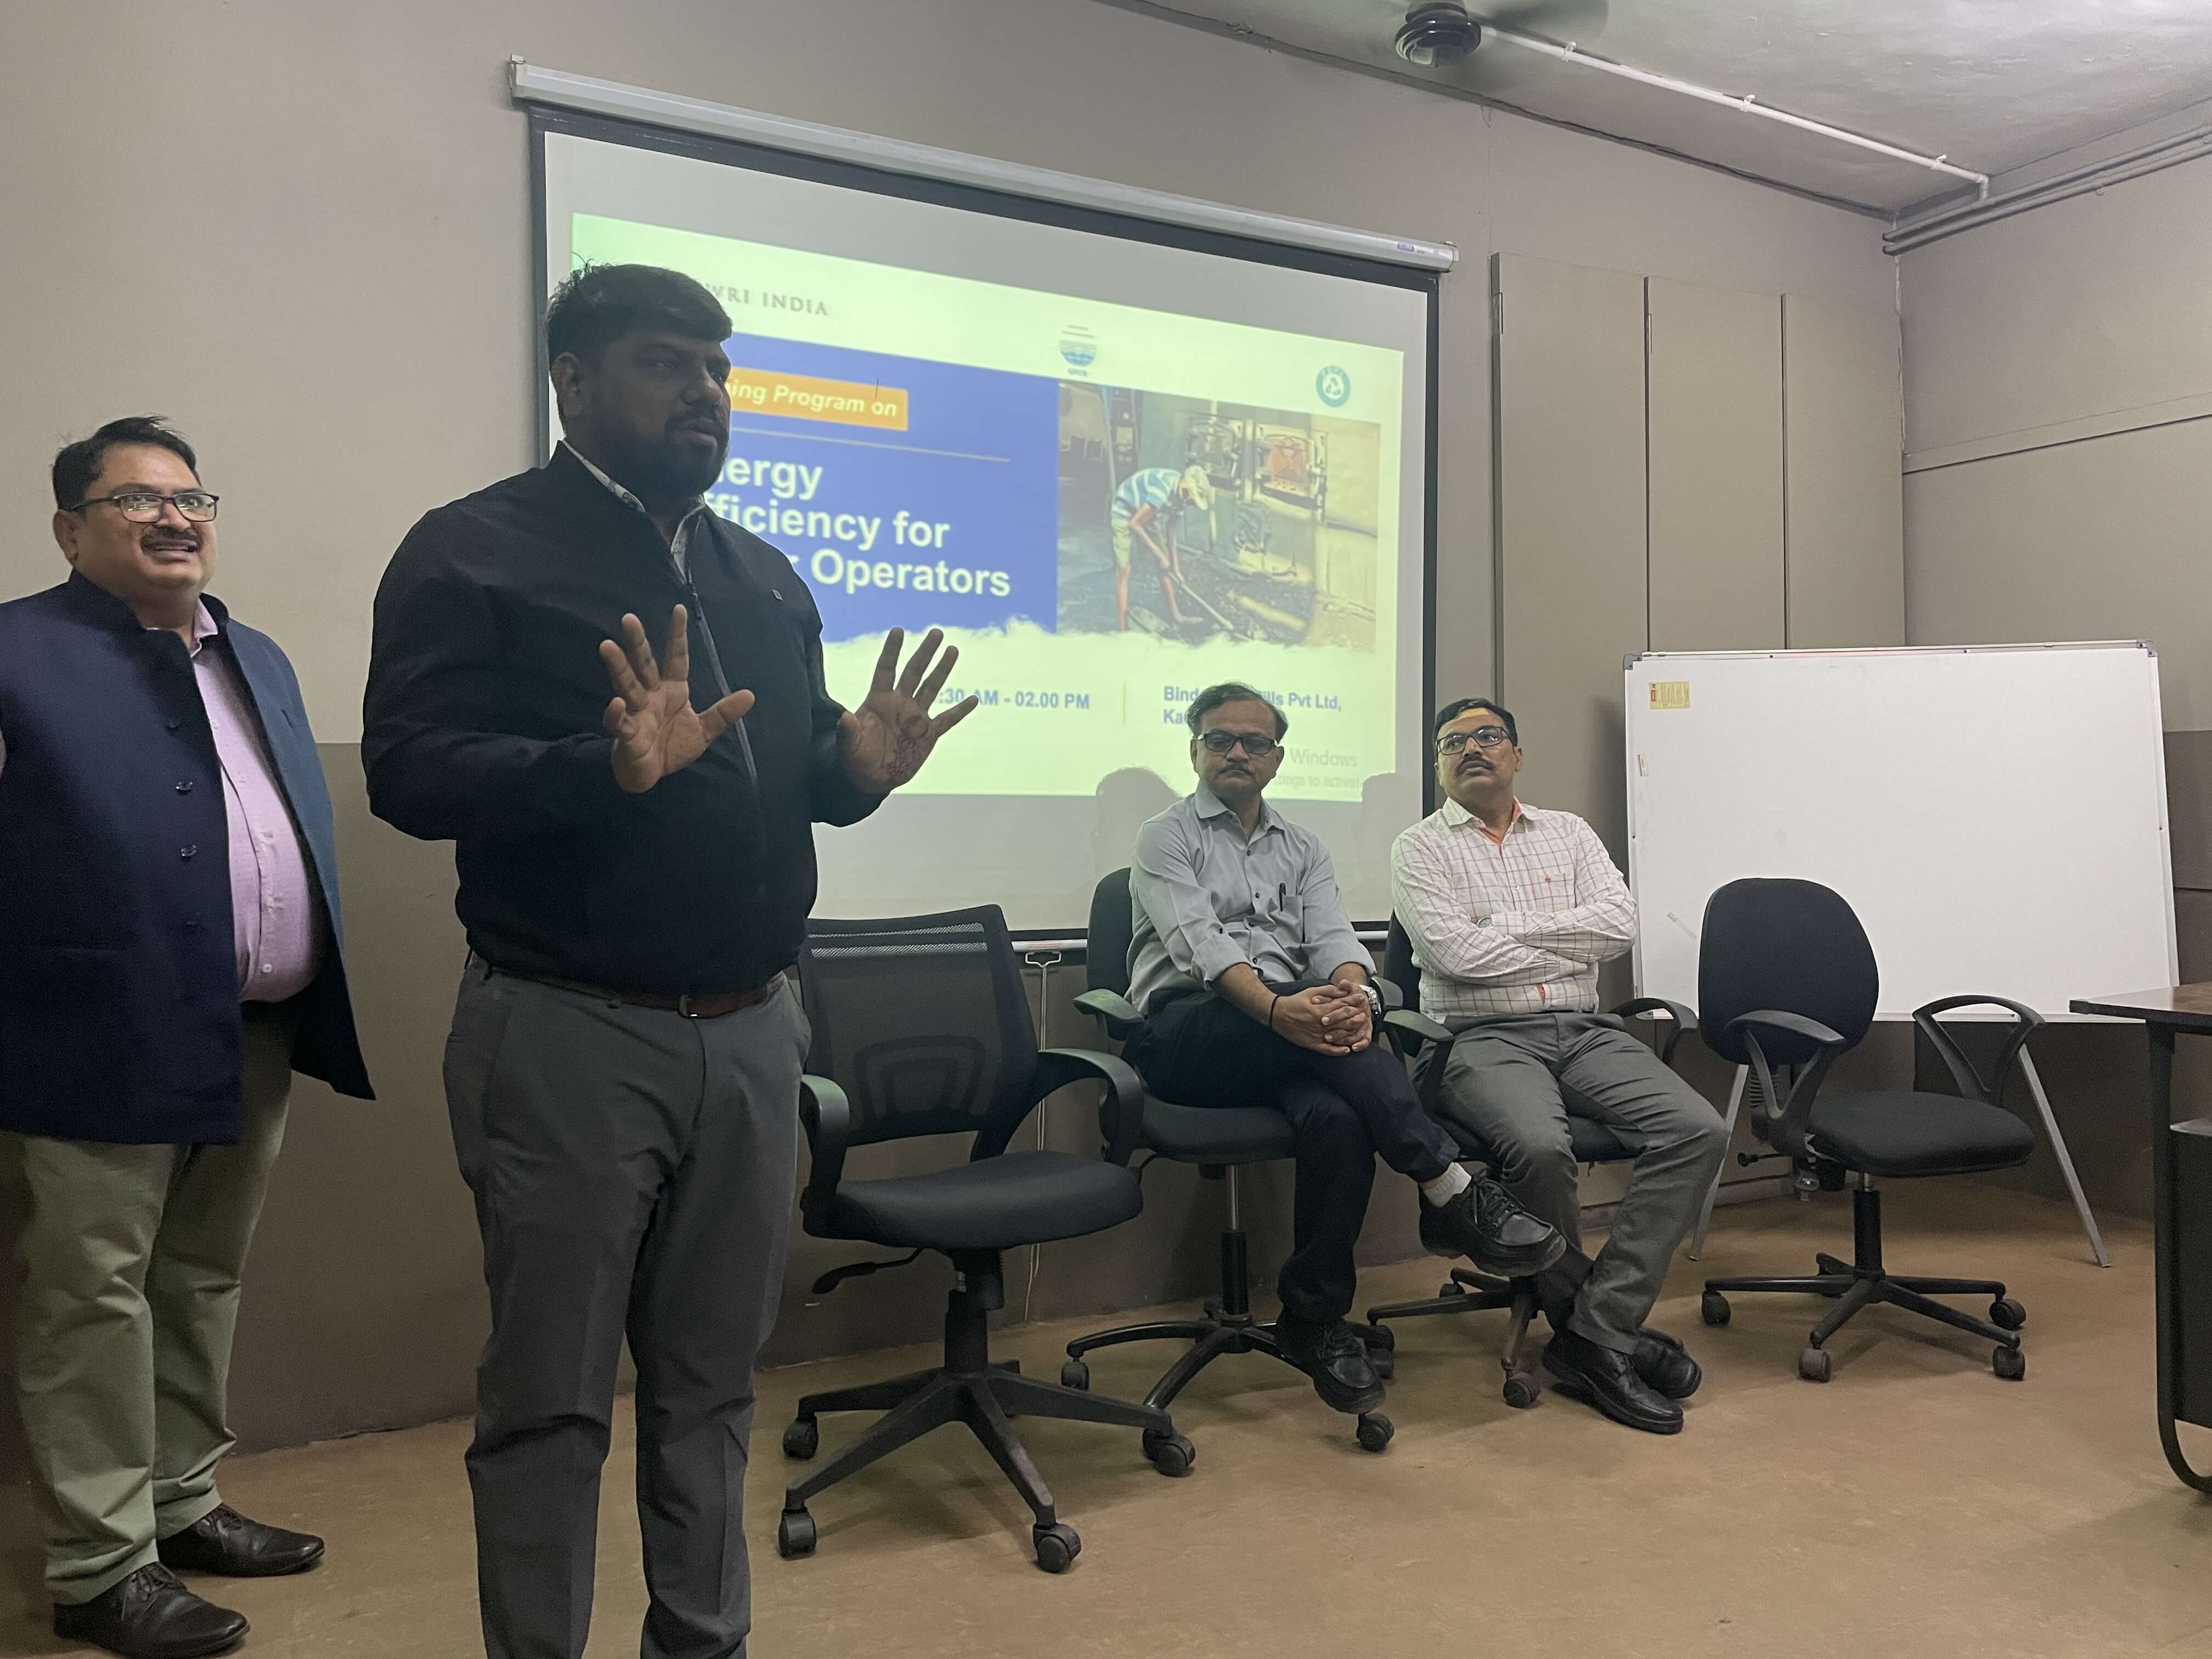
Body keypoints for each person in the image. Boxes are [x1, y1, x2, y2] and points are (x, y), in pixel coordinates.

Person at [361, 264, 975, 1659]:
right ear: (574, 381)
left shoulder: (760, 571)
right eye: (665, 363)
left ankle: (703, 1642)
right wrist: (602, 768)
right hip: (569, 1032)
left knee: (712, 1385)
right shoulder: (474, 549)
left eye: (718, 370)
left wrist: (856, 772)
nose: (705, 392)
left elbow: (795, 772)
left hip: (756, 1033)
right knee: (551, 1401)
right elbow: (407, 770)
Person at [0, 417, 374, 1659]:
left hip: (250, 1024)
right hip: (91, 1029)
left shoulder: (253, 653)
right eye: (136, 499)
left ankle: (180, 1500)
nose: (174, 516)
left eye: (192, 497)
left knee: (201, 1274)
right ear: (70, 530)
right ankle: (101, 1566)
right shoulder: (14, 651)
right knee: (91, 1295)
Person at [1121, 682, 1565, 1419]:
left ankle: (1314, 1318)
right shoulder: (1164, 836)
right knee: (1334, 1051)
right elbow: (1200, 944)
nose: (1237, 752)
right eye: (1220, 740)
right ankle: (1451, 1189)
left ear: (1277, 758)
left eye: (1254, 742)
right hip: (1186, 1032)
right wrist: (1278, 1010)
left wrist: (1354, 996)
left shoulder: (1303, 847)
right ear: (1195, 751)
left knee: (1342, 1118)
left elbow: (1334, 940)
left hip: (1293, 1036)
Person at [1391, 697, 1728, 1435]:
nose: (1471, 749)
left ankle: (1596, 1328)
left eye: (1488, 736)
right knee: (1541, 1149)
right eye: (1452, 742)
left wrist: (1500, 927)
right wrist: (1562, 942)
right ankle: (1599, 1334)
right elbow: (1453, 955)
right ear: (1439, 766)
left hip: (1585, 1029)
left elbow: (1619, 927)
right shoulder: (1419, 848)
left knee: (1697, 1129)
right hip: (1480, 1036)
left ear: (1516, 754)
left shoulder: (1569, 833)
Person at [1110, 462, 1212, 631]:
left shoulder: (1182, 499)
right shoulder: (1162, 490)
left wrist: (1175, 569)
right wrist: (1160, 555)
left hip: (1147, 512)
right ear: (1186, 491)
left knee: (1164, 564)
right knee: (1124, 570)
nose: (1192, 504)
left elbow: (1171, 532)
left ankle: (1176, 617)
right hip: (1125, 509)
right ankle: (1122, 631)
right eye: (1193, 500)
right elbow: (1134, 524)